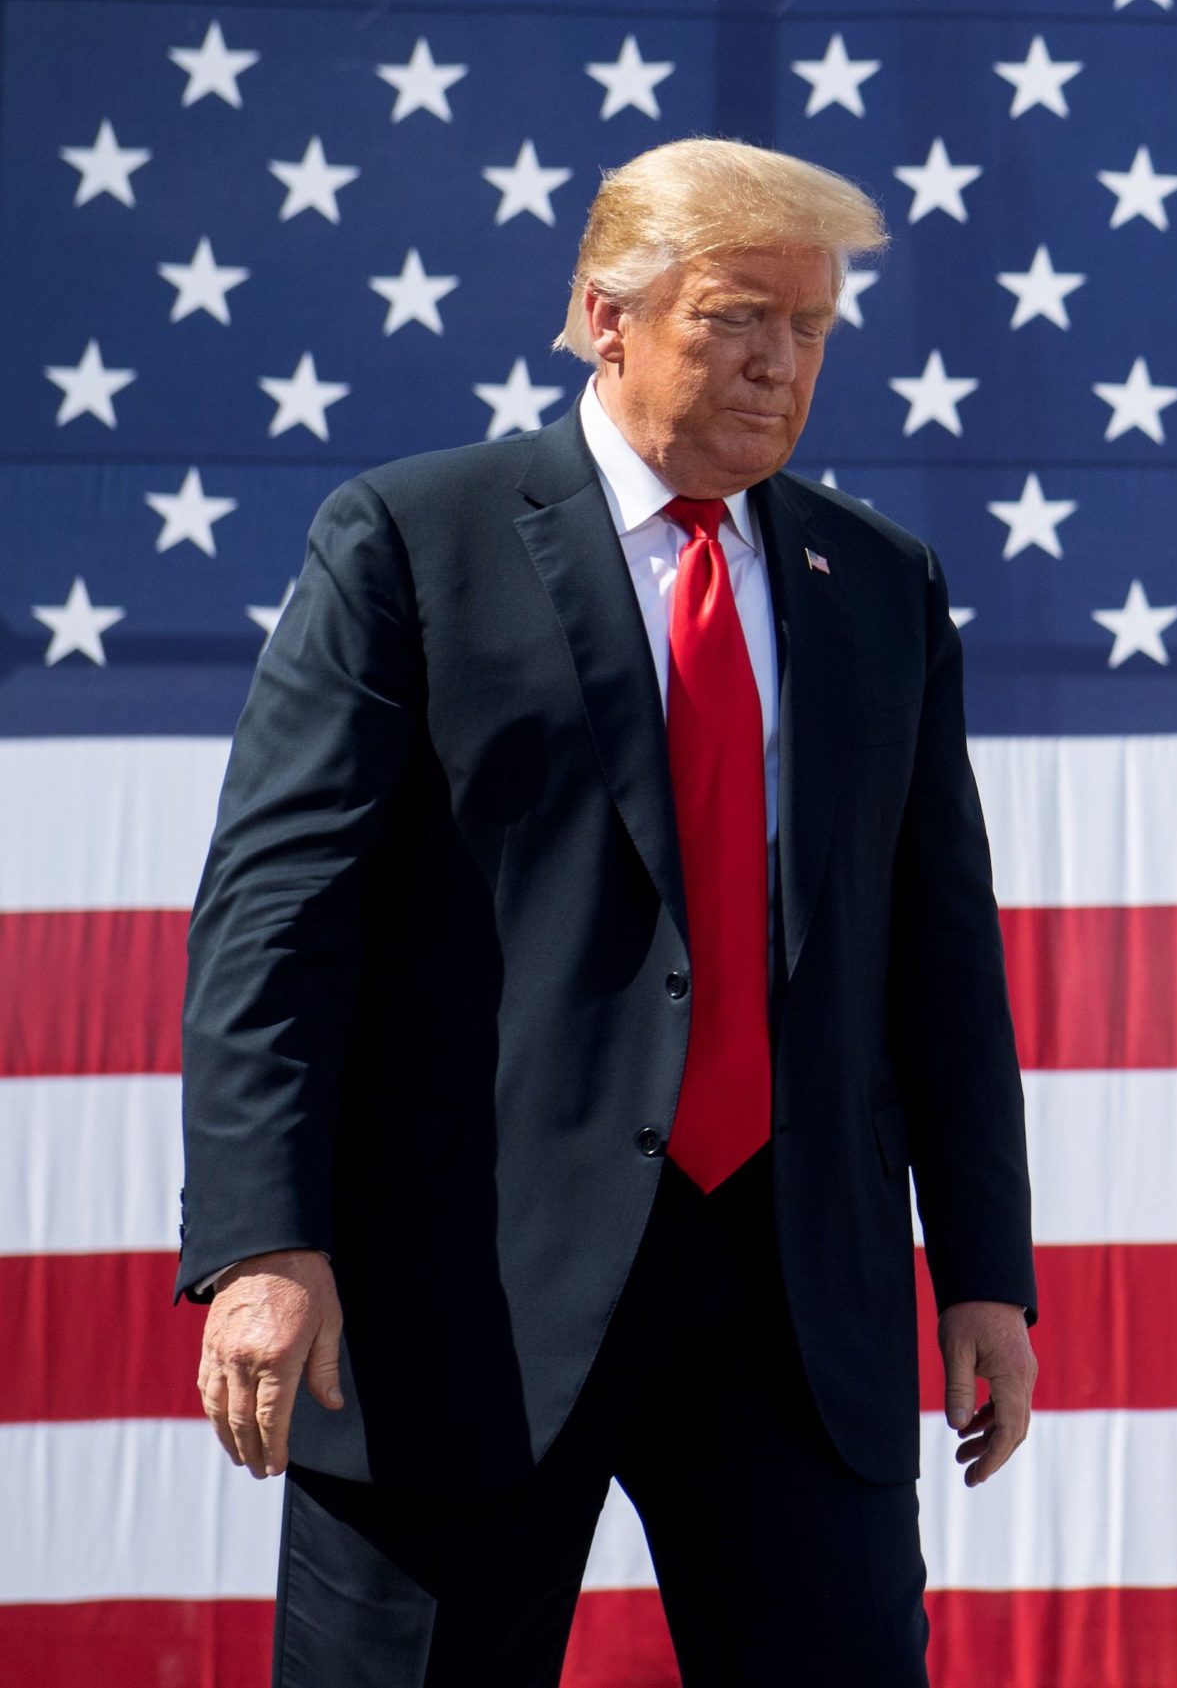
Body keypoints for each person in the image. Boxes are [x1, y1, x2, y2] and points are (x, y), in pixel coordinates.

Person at [175, 137, 1038, 1686]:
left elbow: (939, 954)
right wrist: (263, 1242)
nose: (780, 365)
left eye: (812, 328)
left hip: (792, 1299)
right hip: (467, 1296)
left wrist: (984, 1264)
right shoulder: (411, 543)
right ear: (605, 313)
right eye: (736, 318)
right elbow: (275, 918)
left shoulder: (878, 583)